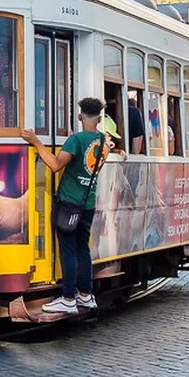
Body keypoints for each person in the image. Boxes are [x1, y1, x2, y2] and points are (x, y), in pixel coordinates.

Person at [21, 97, 125, 315]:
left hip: (69, 203)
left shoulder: (76, 140)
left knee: (67, 250)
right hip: (87, 203)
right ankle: (86, 296)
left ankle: (68, 297)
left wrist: (36, 142)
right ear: (99, 118)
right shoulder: (103, 141)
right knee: (82, 249)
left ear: (79, 116)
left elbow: (55, 165)